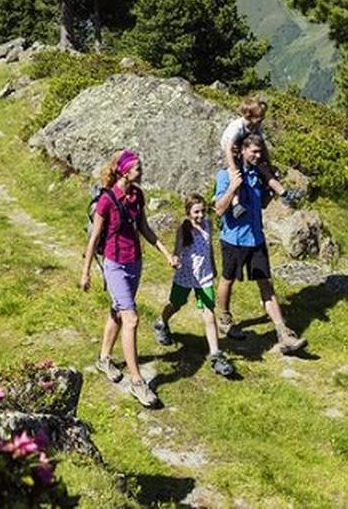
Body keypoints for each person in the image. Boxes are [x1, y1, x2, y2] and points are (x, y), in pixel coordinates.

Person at [80, 149, 180, 408]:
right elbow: (94, 238)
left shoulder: (137, 196)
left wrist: (167, 254)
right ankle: (137, 382)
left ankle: (103, 359)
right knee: (131, 318)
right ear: (124, 171)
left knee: (117, 310)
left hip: (135, 263)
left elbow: (145, 228)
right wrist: (86, 271)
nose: (141, 171)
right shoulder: (107, 200)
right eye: (137, 167)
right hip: (114, 265)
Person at [212, 134, 307, 352]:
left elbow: (262, 205)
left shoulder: (258, 175)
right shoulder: (226, 175)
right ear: (242, 151)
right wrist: (232, 188)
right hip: (233, 239)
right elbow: (218, 209)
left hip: (256, 238)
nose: (258, 155)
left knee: (266, 284)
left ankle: (283, 333)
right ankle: (225, 318)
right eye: (253, 151)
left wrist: (270, 190)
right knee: (227, 280)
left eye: (259, 152)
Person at [153, 193, 237, 378]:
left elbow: (209, 248)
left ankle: (215, 355)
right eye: (196, 212)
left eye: (203, 211)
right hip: (185, 275)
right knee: (175, 304)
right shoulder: (184, 229)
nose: (200, 215)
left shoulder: (207, 225)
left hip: (204, 277)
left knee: (208, 313)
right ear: (188, 212)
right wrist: (174, 259)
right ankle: (161, 323)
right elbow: (177, 249)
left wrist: (214, 267)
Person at [220, 97, 290, 200]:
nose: (262, 119)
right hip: (234, 149)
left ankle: (283, 193)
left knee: (264, 168)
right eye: (259, 116)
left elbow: (262, 145)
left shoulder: (255, 126)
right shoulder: (237, 127)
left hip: (244, 145)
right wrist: (234, 169)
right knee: (237, 175)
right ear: (250, 116)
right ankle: (236, 202)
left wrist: (269, 163)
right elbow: (228, 148)